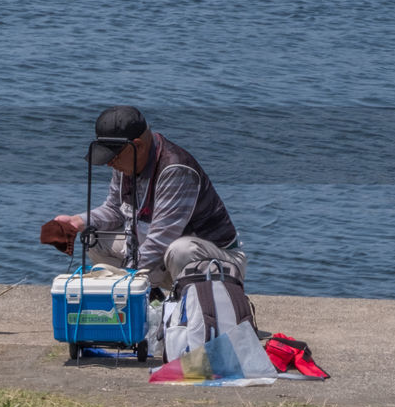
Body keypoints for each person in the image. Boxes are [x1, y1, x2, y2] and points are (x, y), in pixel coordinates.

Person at [43, 106, 246, 289]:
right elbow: (115, 210)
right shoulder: (126, 162)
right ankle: (150, 299)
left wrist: (124, 281)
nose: (109, 164)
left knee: (180, 250)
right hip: (160, 258)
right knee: (94, 238)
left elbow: (160, 241)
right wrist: (77, 221)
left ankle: (188, 308)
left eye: (112, 157)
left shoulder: (175, 169)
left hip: (218, 262)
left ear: (138, 146)